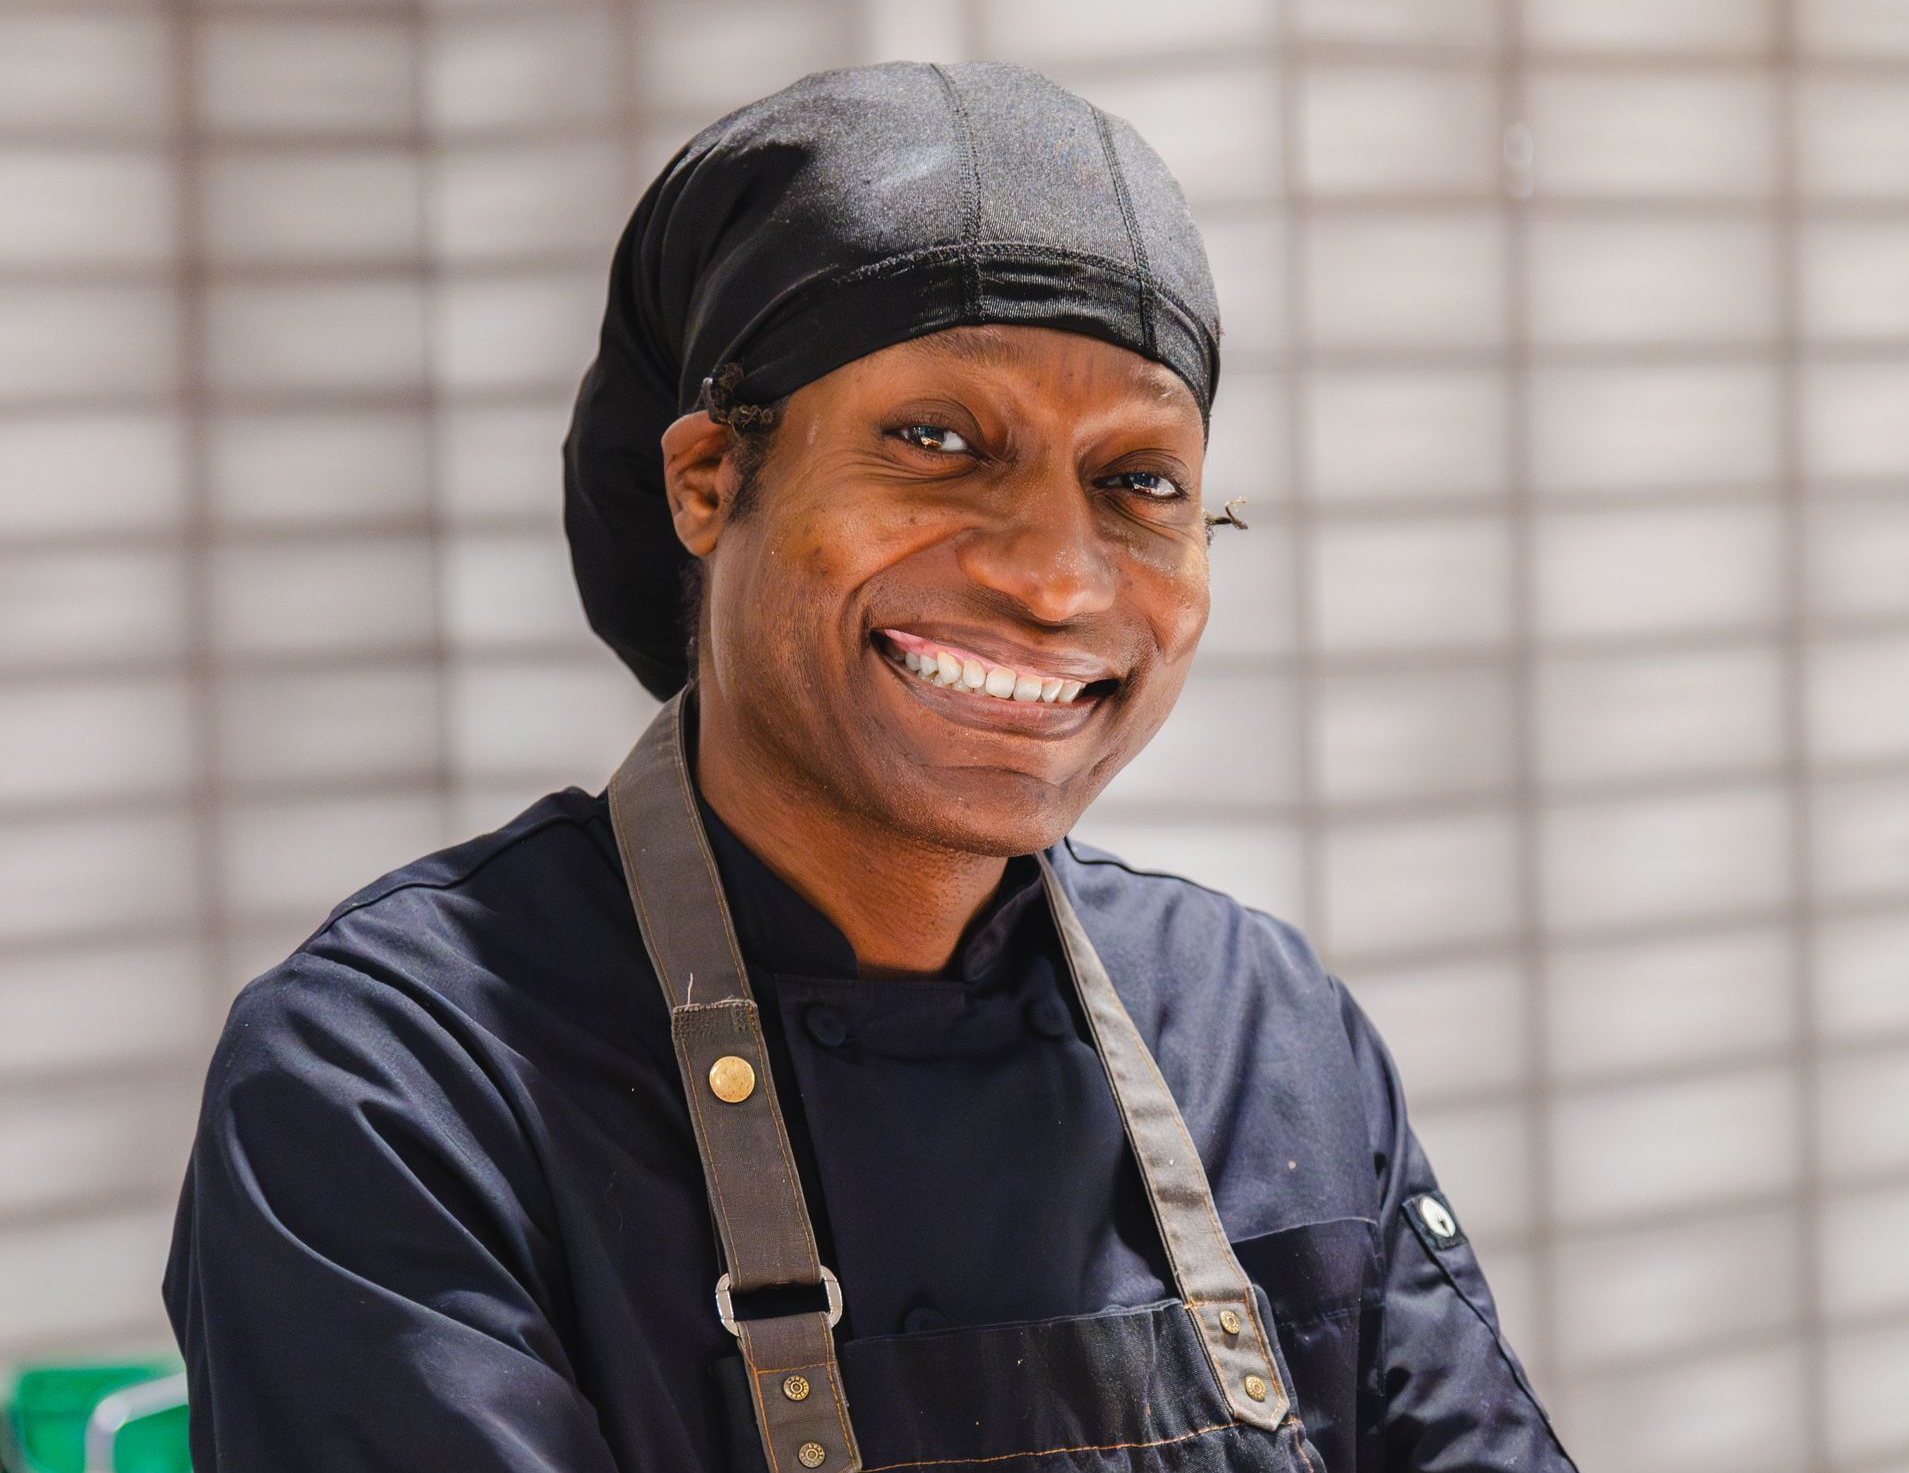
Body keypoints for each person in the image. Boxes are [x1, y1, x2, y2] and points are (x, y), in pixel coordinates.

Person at [163, 60, 1577, 1473]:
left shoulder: (1263, 1033)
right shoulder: (400, 1082)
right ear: (710, 480)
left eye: (1138, 481)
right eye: (937, 442)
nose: (1054, 580)